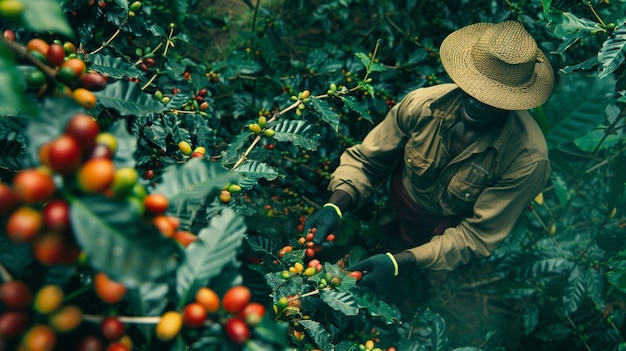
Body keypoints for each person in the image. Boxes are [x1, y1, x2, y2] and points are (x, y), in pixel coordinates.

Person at [303, 20, 555, 292]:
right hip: (402, 202)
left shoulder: (527, 160)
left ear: (513, 100)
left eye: (493, 98)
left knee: (427, 286)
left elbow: (476, 235)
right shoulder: (420, 106)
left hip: (449, 231)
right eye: (474, 88)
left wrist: (402, 263)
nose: (476, 101)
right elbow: (369, 161)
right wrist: (336, 204)